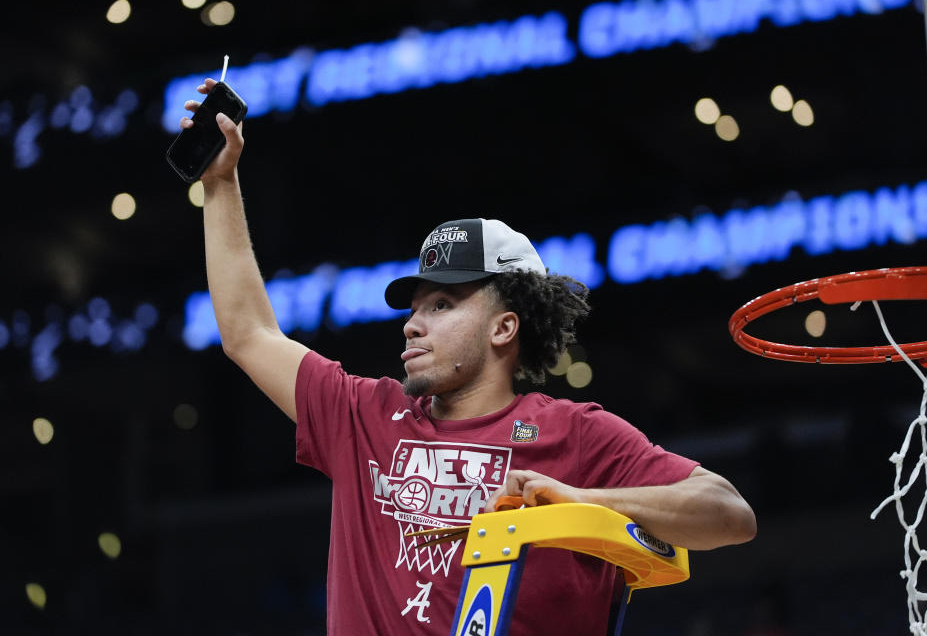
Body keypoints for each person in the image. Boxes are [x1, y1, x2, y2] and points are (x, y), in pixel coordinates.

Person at [181, 78, 757, 636]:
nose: (412, 324)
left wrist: (584, 498)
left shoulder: (577, 435)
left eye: (442, 304)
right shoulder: (363, 416)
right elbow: (248, 333)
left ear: (504, 327)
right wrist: (219, 182)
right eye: (414, 308)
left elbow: (728, 513)